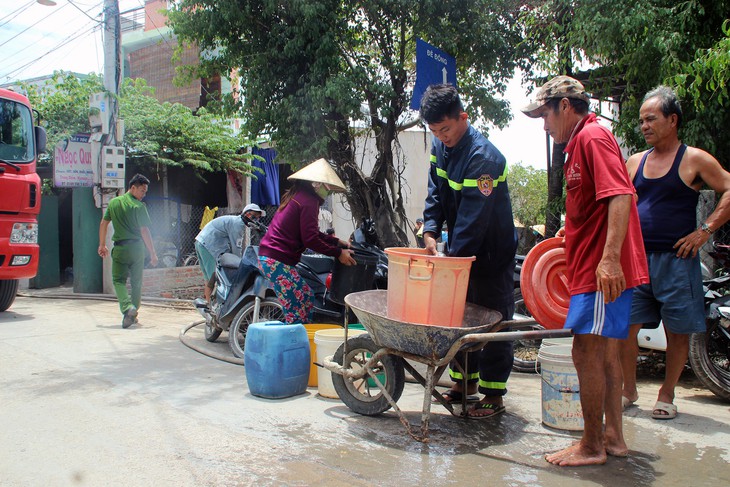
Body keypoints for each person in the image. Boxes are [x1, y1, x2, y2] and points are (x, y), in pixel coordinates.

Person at [522, 75, 649, 466]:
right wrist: (572, 227)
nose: (544, 125)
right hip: (595, 264)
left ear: (564, 106)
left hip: (600, 270)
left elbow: (623, 195)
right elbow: (600, 201)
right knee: (606, 355)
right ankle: (612, 438)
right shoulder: (580, 142)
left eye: (545, 114)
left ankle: (592, 445)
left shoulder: (591, 137)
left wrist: (609, 258)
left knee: (585, 351)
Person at [620, 86, 730, 420]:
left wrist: (704, 232)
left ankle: (667, 394)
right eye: (641, 121)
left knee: (677, 331)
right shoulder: (635, 162)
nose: (644, 126)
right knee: (625, 328)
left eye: (651, 119)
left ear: (672, 120)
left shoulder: (694, 159)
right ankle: (628, 388)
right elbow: (617, 203)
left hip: (678, 263)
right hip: (637, 261)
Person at [419, 84, 517, 419]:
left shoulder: (483, 159)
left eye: (445, 128)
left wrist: (451, 259)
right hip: (461, 252)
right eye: (434, 131)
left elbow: (473, 222)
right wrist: (430, 230)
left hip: (490, 256)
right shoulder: (440, 147)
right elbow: (435, 192)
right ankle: (464, 384)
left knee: (493, 322)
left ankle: (493, 393)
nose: (441, 136)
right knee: (459, 320)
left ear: (463, 117)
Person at [257, 158, 356, 324]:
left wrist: (337, 242)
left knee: (305, 297)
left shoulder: (298, 196)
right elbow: (310, 239)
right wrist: (338, 253)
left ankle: (302, 336)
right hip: (277, 259)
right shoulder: (309, 201)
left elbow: (311, 233)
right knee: (298, 306)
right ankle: (294, 342)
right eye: (327, 186)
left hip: (272, 257)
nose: (328, 190)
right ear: (316, 184)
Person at [98, 174, 159, 328]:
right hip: (137, 248)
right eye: (142, 191)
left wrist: (102, 244)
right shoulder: (138, 207)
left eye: (145, 192)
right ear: (133, 188)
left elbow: (104, 223)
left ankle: (128, 309)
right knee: (136, 282)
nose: (143, 195)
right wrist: (152, 252)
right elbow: (144, 230)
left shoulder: (114, 203)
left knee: (118, 281)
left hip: (119, 248)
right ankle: (132, 310)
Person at [195, 203, 266, 302]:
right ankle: (212, 306)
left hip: (201, 242)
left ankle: (208, 304)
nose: (256, 220)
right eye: (254, 217)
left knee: (209, 278)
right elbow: (236, 247)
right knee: (215, 277)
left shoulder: (235, 221)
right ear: (247, 214)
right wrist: (241, 266)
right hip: (208, 245)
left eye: (258, 218)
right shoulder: (238, 224)